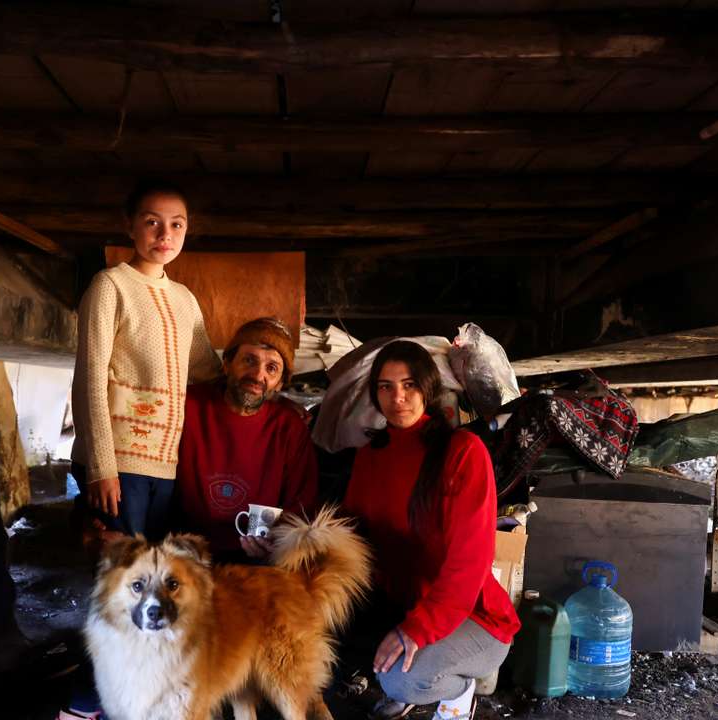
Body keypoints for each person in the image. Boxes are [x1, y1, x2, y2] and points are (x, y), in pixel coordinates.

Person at [343, 340, 520, 720]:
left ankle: (458, 692)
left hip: (472, 617)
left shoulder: (462, 451)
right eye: (386, 386)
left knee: (401, 678)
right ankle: (411, 674)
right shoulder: (370, 456)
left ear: (428, 388)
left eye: (409, 385)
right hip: (403, 606)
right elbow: (351, 534)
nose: (398, 397)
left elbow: (468, 564)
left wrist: (417, 630)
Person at [71, 179, 221, 543]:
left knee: (154, 566)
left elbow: (208, 373)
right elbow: (90, 379)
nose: (165, 234)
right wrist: (101, 467)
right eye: (152, 221)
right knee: (123, 568)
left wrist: (275, 403)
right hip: (118, 461)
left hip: (167, 463)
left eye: (176, 224)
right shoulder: (110, 286)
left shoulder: (185, 299)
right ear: (130, 225)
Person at [175, 317, 318, 562]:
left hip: (258, 562)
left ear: (280, 383)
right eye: (249, 360)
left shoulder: (289, 427)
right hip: (183, 554)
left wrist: (276, 546)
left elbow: (302, 504)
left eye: (271, 368)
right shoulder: (188, 406)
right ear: (227, 364)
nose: (257, 375)